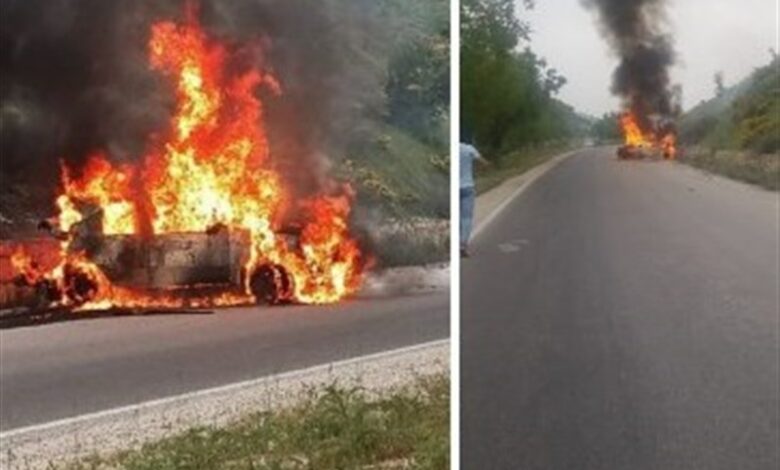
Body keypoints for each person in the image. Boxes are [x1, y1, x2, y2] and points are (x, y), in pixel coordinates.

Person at [460, 140, 487, 257]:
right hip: (467, 187)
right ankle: (462, 246)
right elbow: (483, 162)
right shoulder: (469, 148)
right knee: (467, 218)